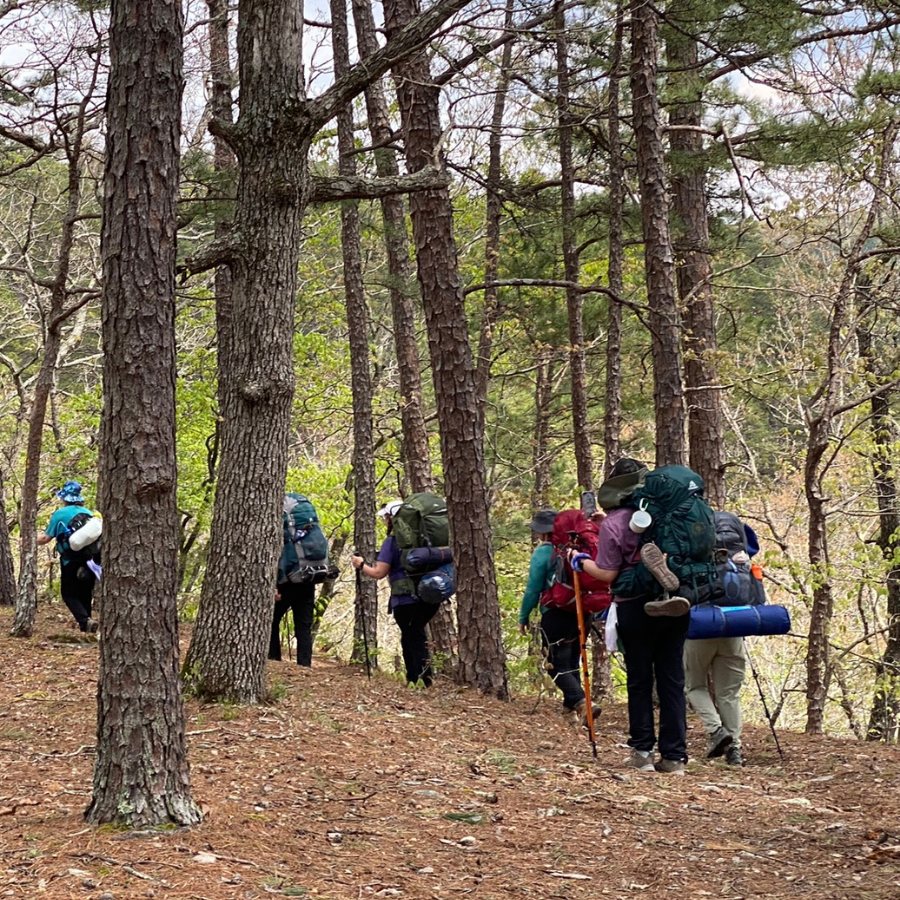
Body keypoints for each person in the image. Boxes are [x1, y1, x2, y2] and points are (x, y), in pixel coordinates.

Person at [572, 458, 691, 775]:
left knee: (640, 679)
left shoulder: (614, 523)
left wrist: (580, 561)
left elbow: (608, 573)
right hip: (676, 600)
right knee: (672, 678)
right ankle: (675, 757)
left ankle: (642, 752)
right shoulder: (670, 512)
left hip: (635, 605)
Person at [683, 513, 762, 767]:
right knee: (729, 693)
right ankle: (734, 750)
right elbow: (757, 596)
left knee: (694, 686)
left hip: (701, 627)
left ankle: (716, 730)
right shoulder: (741, 554)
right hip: (733, 627)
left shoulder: (693, 549)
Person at [518, 508, 604, 728]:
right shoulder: (576, 548)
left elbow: (533, 589)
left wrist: (523, 616)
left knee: (554, 665)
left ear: (543, 532)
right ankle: (570, 711)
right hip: (582, 613)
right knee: (571, 662)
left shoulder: (544, 552)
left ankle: (581, 702)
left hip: (555, 614)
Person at [351, 501, 438, 686]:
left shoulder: (392, 542)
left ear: (393, 518)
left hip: (405, 599)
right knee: (415, 635)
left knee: (412, 637)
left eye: (386, 517)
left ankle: (420, 680)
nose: (384, 520)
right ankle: (420, 679)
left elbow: (378, 573)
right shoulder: (426, 539)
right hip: (430, 597)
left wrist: (361, 564)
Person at [38, 480, 98, 633]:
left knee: (68, 593)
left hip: (70, 560)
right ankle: (87, 626)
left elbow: (45, 538)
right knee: (85, 592)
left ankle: (85, 621)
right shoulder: (88, 513)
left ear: (64, 498)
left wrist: (28, 539)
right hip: (91, 560)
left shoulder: (60, 514)